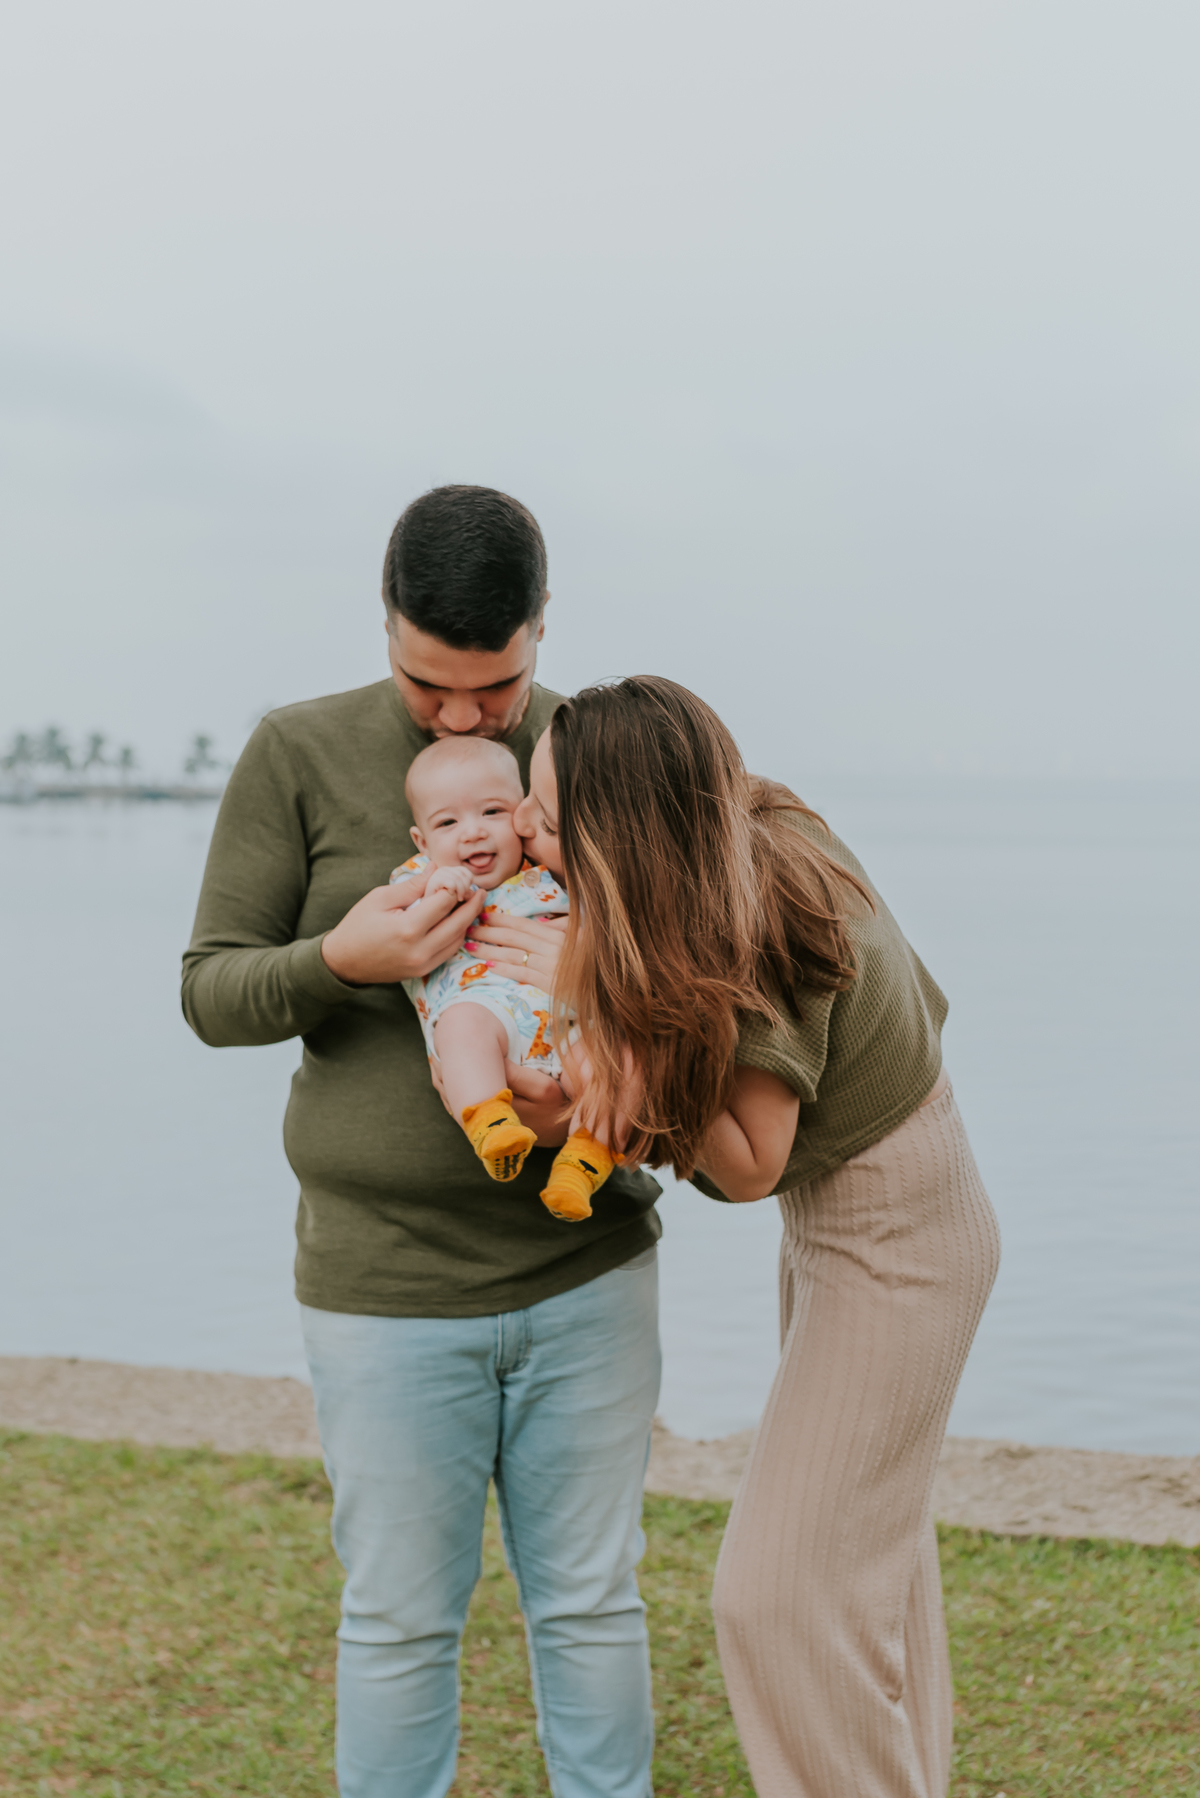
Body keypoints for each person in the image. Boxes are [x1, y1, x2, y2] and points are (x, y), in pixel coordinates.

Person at [182, 487, 662, 1798]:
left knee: (592, 1601)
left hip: (588, 1270)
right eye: (427, 685)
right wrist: (345, 958)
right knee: (399, 1616)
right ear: (384, 628)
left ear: (542, 629)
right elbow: (211, 989)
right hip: (384, 1286)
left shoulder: (596, 746)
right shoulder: (297, 751)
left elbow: (683, 963)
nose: (462, 718)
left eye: (496, 690)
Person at [503, 677, 1002, 1798]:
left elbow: (747, 1159)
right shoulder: (744, 825)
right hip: (876, 1214)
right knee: (873, 1570)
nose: (526, 830)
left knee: (774, 1596)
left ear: (622, 829)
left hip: (894, 1237)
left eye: (545, 815)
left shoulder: (755, 909)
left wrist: (590, 1031)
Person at [389, 733, 619, 1216]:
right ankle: (490, 1123)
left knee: (625, 1062)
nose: (472, 832)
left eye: (492, 812)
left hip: (574, 1024)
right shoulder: (423, 878)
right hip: (490, 1021)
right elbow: (399, 925)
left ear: (523, 816)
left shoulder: (550, 876)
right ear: (422, 840)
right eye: (448, 822)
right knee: (462, 1024)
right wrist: (439, 886)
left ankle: (584, 1162)